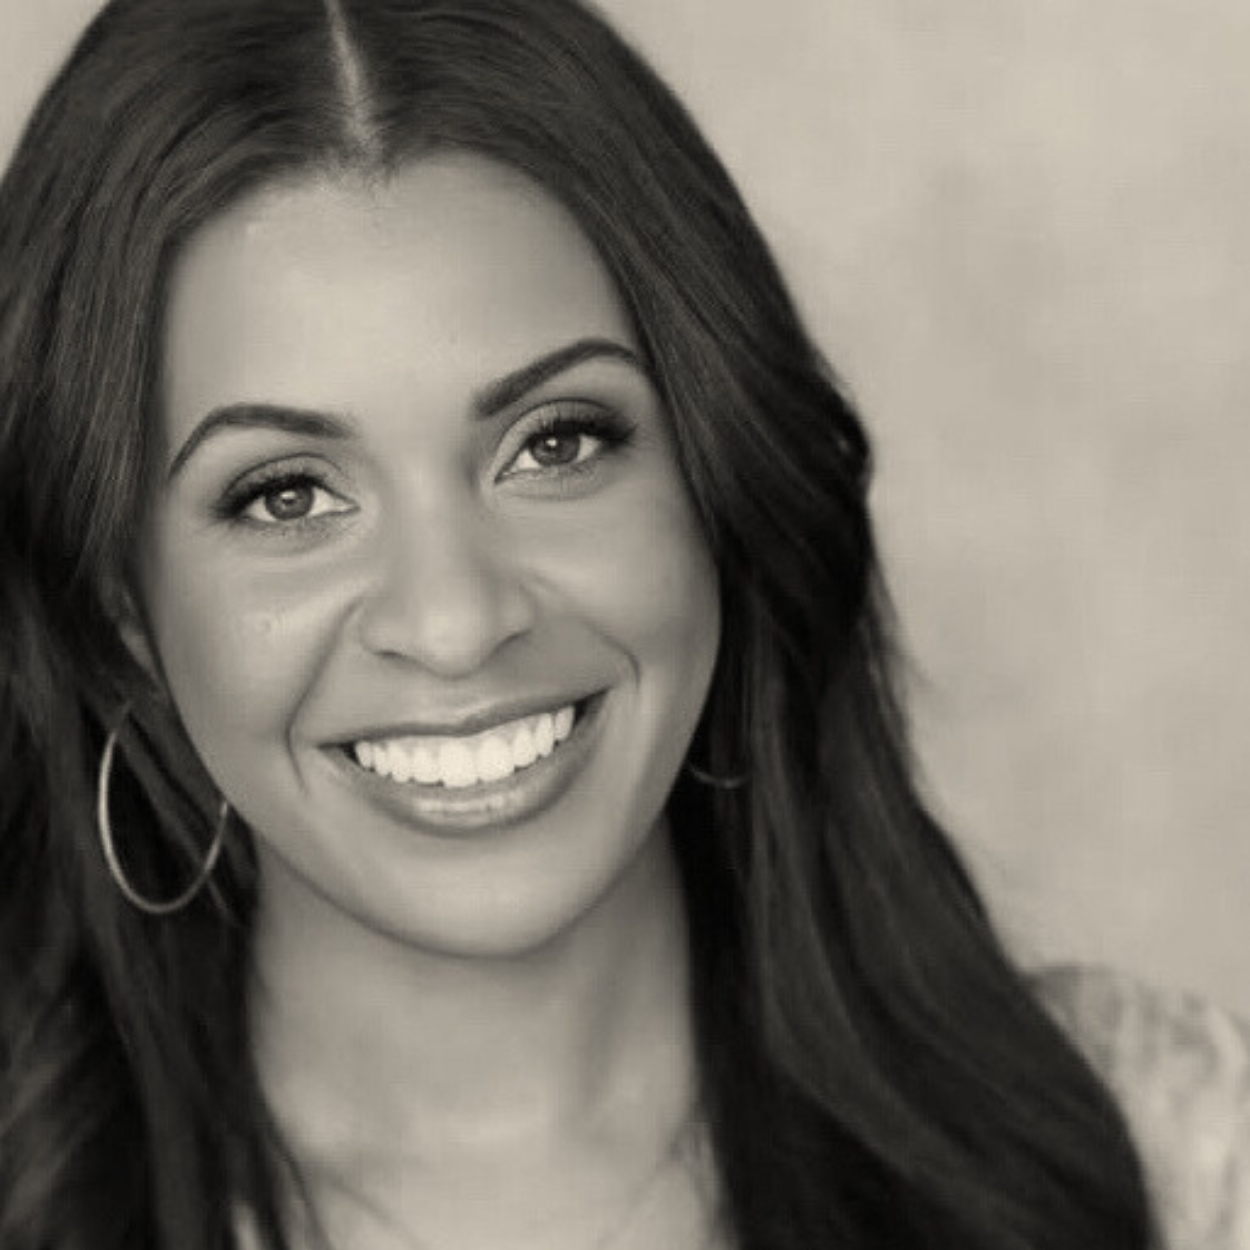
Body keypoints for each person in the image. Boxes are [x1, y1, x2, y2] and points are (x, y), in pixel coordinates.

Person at [0, 1, 1242, 1247]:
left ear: (718, 488)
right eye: (286, 495)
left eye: (554, 442)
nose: (454, 620)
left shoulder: (1184, 1159)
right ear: (122, 617)